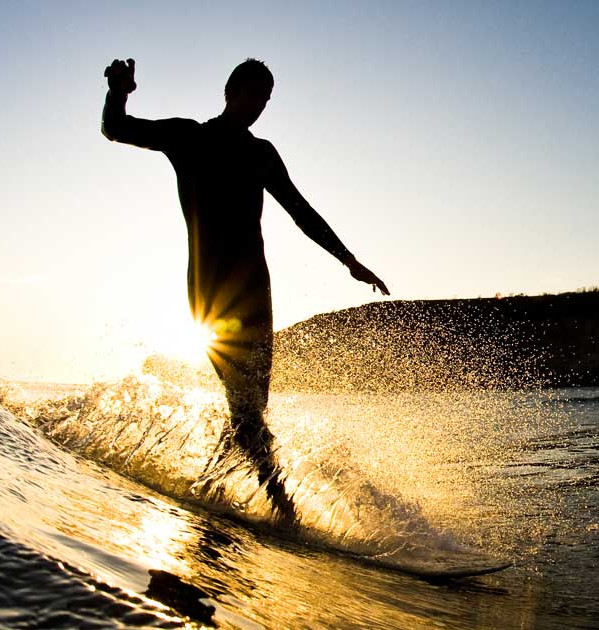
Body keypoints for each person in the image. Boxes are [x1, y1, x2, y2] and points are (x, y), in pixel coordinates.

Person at [101, 57, 389, 523]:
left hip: (256, 290)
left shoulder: (262, 153)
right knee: (247, 411)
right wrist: (120, 89)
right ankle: (282, 511)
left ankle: (215, 492)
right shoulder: (187, 136)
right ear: (230, 90)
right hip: (210, 293)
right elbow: (115, 128)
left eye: (266, 100)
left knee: (251, 409)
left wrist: (348, 260)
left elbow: (301, 211)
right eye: (253, 95)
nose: (258, 106)